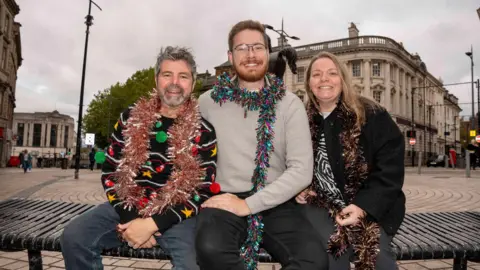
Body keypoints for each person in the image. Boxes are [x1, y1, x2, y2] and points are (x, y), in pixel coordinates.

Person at [60, 46, 217, 270]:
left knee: (193, 263)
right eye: (167, 75)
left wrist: (152, 225)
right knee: (74, 237)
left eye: (183, 76)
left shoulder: (204, 131)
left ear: (192, 83)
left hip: (177, 216)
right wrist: (132, 220)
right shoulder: (129, 118)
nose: (174, 82)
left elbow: (202, 191)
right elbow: (111, 172)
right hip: (127, 207)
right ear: (156, 80)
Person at [196, 20, 327, 270]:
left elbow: (301, 170)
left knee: (314, 261)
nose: (251, 55)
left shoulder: (289, 104)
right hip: (223, 201)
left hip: (275, 201)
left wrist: (248, 205)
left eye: (257, 47)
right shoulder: (207, 102)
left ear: (268, 53)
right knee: (210, 250)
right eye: (242, 48)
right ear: (230, 56)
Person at [295, 51, 405, 269]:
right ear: (309, 83)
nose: (324, 79)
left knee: (378, 258)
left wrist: (363, 207)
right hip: (319, 204)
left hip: (368, 203)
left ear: (343, 79)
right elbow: (285, 159)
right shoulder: (299, 119)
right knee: (333, 250)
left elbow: (389, 168)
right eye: (316, 74)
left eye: (332, 73)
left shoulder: (371, 114)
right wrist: (297, 186)